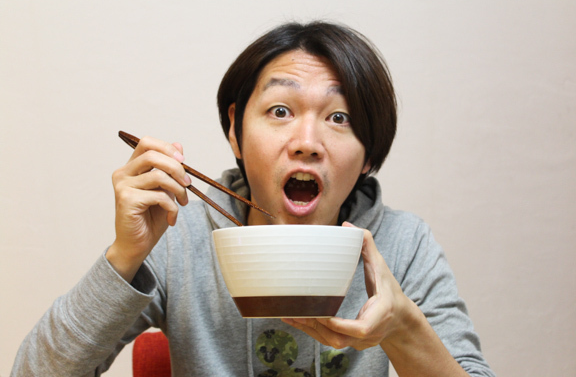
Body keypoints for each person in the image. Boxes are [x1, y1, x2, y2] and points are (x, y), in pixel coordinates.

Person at [12, 21, 495, 376]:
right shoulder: (179, 237)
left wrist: (402, 327)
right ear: (235, 132)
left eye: (339, 117)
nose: (307, 142)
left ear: (369, 154)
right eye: (280, 111)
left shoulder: (403, 244)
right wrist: (125, 255)